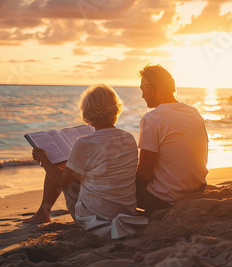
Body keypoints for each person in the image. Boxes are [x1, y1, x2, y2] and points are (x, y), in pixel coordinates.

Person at [24, 84, 146, 238]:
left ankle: (43, 213)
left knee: (56, 165)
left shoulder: (85, 144)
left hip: (93, 217)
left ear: (87, 112)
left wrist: (43, 160)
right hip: (125, 212)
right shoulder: (128, 138)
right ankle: (43, 212)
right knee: (78, 168)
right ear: (116, 108)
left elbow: (64, 181)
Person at [136, 64, 209, 215]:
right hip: (198, 189)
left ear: (155, 88)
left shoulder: (152, 119)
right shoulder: (194, 112)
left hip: (166, 200)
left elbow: (145, 175)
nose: (142, 95)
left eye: (143, 89)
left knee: (116, 183)